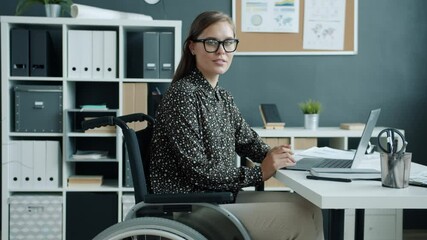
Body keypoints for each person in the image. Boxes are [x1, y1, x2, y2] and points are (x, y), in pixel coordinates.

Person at [150, 10, 324, 240]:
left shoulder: (222, 96)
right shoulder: (183, 95)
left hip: (217, 198)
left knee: (309, 207)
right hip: (190, 207)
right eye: (211, 42)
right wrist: (260, 172)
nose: (222, 51)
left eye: (228, 42)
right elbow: (200, 173)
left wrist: (278, 156)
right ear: (192, 47)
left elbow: (248, 141)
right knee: (299, 219)